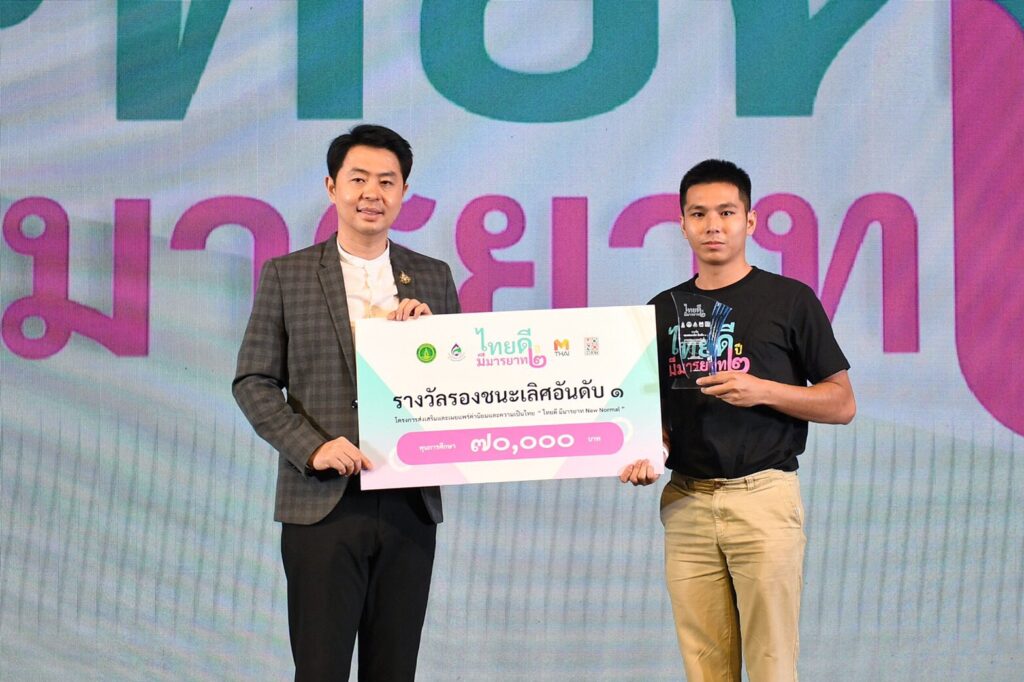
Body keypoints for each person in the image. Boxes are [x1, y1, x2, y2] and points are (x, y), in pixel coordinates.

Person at [233, 124, 460, 681]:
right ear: (332, 187)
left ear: (404, 192)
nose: (372, 193)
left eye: (387, 181)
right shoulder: (287, 275)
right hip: (322, 503)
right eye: (358, 179)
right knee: (320, 669)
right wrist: (312, 449)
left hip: (409, 504)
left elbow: (461, 388)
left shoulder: (433, 277)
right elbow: (253, 381)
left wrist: (434, 345)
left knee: (394, 670)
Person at [620, 159, 855, 682]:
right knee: (704, 668)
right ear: (682, 224)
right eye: (699, 214)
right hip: (687, 502)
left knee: (772, 664)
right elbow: (653, 415)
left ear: (750, 221)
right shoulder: (662, 310)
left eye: (726, 213)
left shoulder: (789, 300)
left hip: (763, 499)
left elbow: (842, 403)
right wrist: (650, 450)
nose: (713, 225)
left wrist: (762, 390)